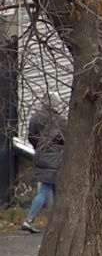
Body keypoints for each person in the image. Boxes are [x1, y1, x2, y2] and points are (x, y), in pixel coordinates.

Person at [22, 92, 67, 234]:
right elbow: (64, 140)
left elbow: (31, 137)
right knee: (46, 189)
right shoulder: (60, 121)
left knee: (54, 189)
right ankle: (28, 220)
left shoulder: (35, 118)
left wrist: (39, 149)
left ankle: (56, 222)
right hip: (54, 158)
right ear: (56, 104)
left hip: (40, 156)